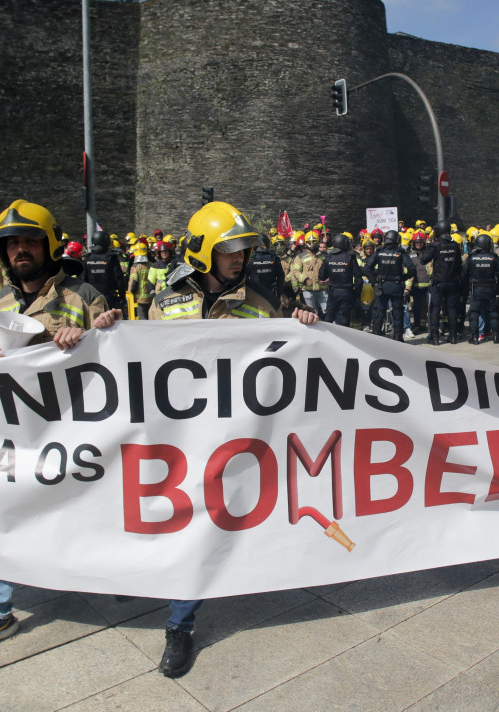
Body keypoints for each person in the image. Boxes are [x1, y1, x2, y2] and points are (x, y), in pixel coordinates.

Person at [93, 200, 318, 678]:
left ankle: (179, 625)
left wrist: (304, 326)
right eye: (229, 249)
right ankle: (143, 578)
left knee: (203, 531)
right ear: (203, 252)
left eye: (243, 249)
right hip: (176, 439)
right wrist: (107, 334)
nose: (240, 257)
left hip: (234, 442)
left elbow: (289, 360)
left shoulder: (263, 303)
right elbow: (138, 358)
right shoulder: (165, 303)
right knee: (166, 522)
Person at [0, 200, 108, 660]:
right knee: (2, 509)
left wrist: (92, 334)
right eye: (12, 243)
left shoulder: (83, 296)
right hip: (17, 429)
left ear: (50, 244)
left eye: (30, 241)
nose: (20, 249)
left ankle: (116, 577)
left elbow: (115, 357)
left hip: (74, 428)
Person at [365, 229, 414, 340]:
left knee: (379, 312)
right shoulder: (400, 252)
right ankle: (398, 338)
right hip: (396, 286)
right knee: (397, 313)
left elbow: (367, 268)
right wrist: (403, 277)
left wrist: (374, 281)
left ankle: (376, 337)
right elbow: (412, 268)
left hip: (381, 286)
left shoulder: (379, 251)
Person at [423, 221, 464, 345]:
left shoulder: (435, 245)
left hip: (439, 282)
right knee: (452, 309)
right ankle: (453, 336)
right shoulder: (455, 245)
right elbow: (459, 264)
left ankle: (435, 338)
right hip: (452, 282)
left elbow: (424, 259)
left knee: (435, 309)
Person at [464, 233, 499, 344]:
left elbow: (464, 273)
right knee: (493, 312)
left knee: (474, 313)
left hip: (476, 288)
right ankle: (496, 336)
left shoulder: (472, 258)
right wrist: (498, 287)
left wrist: (468, 286)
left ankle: (474, 337)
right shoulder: (493, 257)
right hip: (490, 288)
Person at [320, 233, 364, 327]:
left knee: (329, 317)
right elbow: (358, 277)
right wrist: (356, 293)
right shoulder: (350, 257)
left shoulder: (328, 257)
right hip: (346, 292)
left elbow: (321, 276)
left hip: (333, 292)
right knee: (344, 319)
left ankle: (327, 335)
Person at [83, 229, 126, 311]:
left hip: (92, 298)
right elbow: (119, 279)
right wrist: (122, 297)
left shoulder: (87, 258)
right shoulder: (111, 257)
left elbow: (83, 279)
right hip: (109, 297)